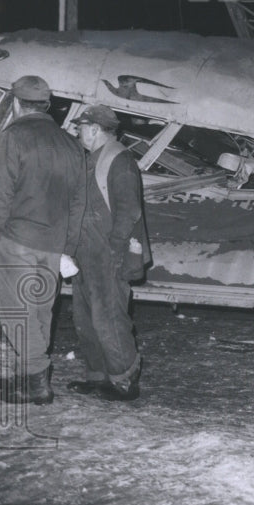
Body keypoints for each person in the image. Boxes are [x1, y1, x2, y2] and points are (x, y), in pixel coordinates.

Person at [0, 75, 86, 405]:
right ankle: (24, 376)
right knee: (41, 310)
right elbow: (78, 203)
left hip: (15, 238)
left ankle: (38, 381)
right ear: (47, 105)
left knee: (17, 312)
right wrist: (66, 247)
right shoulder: (72, 143)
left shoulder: (11, 137)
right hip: (53, 242)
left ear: (15, 103)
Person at [66, 105, 151, 401]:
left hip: (107, 255)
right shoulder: (92, 158)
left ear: (93, 128)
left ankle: (124, 382)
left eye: (80, 127)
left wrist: (115, 252)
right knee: (85, 319)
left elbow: (129, 213)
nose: (77, 132)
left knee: (110, 319)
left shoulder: (119, 160)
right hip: (85, 254)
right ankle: (99, 377)